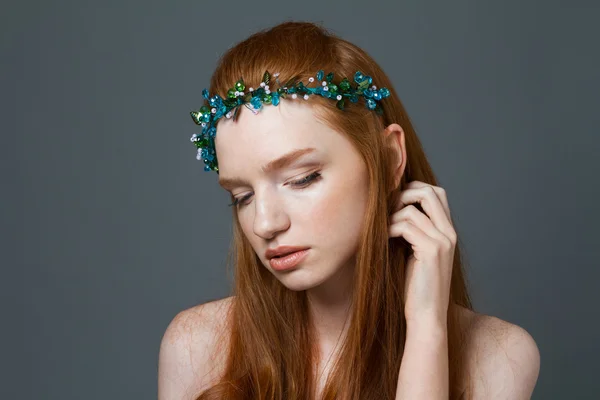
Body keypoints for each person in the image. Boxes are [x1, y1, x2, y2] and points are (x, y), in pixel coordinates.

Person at [158, 21, 540, 400]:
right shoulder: (198, 348)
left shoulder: (498, 357)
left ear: (390, 159)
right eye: (242, 197)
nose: (265, 223)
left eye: (302, 178)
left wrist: (426, 331)